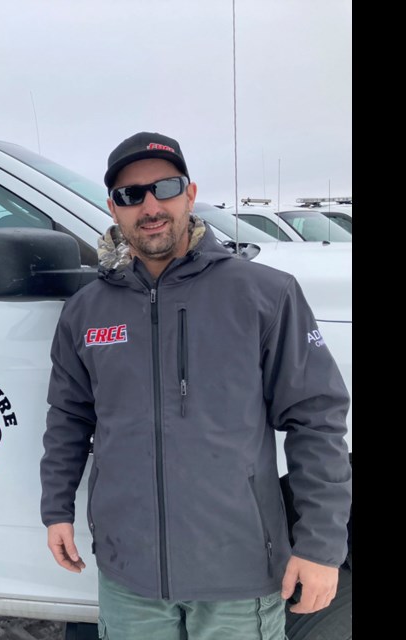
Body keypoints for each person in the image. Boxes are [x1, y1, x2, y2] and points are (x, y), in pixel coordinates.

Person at [39, 132, 351, 639]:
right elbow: (69, 416)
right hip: (129, 575)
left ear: (190, 192)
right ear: (114, 208)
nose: (150, 205)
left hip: (238, 572)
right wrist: (56, 507)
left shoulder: (264, 295)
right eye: (130, 194)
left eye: (165, 186)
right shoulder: (86, 311)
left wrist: (320, 545)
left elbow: (315, 418)